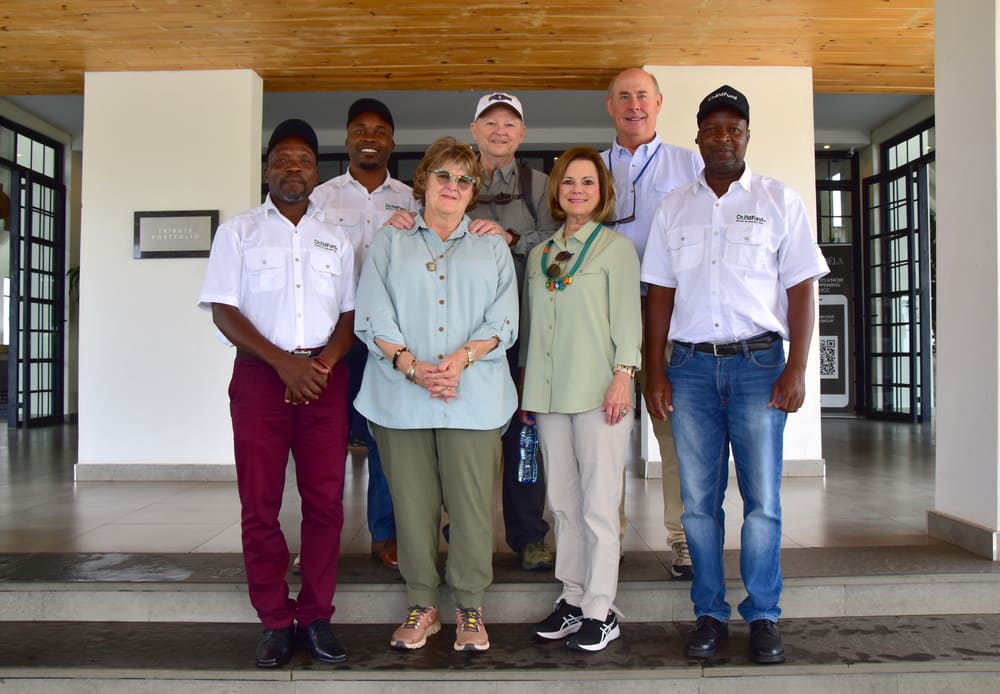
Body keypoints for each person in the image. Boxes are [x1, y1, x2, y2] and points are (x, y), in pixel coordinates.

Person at [641, 85, 829, 664]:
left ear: (746, 136)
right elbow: (659, 298)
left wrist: (797, 366)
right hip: (691, 368)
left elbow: (801, 288)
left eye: (734, 129)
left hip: (759, 365)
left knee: (762, 501)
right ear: (697, 137)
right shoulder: (674, 206)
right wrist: (656, 373)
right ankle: (710, 613)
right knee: (698, 503)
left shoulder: (779, 201)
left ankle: (764, 615)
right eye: (713, 129)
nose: (723, 138)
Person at [198, 118, 355, 668]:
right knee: (259, 505)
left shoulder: (336, 236)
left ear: (317, 172)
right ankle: (272, 619)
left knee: (325, 504)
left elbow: (350, 315)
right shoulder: (238, 232)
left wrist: (322, 365)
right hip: (261, 379)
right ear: (267, 169)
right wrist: (284, 364)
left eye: (304, 161)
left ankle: (314, 616)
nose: (294, 169)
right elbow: (224, 309)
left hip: (324, 379)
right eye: (283, 159)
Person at [354, 136, 518, 653]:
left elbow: (505, 319)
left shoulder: (492, 245)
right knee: (413, 505)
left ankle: (469, 607)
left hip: (474, 396)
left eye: (464, 180)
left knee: (471, 507)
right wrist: (410, 366)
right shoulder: (389, 240)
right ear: (423, 181)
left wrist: (461, 359)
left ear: (475, 192)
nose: (453, 186)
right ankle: (422, 605)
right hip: (400, 396)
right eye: (443, 176)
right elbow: (372, 313)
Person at [521, 146, 641, 652]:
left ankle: (601, 607)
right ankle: (571, 598)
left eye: (588, 182)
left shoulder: (615, 249)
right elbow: (532, 330)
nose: (577, 190)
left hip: (598, 393)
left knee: (598, 504)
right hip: (548, 396)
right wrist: (527, 389)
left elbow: (627, 321)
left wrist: (624, 375)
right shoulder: (540, 254)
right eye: (568, 181)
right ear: (557, 190)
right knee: (563, 504)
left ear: (602, 191)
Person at [310, 97, 419, 570]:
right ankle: (319, 540)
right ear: (347, 139)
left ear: (392, 142)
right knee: (327, 439)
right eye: (360, 129)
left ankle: (385, 533)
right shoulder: (321, 197)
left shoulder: (412, 197)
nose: (369, 137)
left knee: (384, 435)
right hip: (334, 332)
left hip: (389, 334)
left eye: (379, 130)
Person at [603, 67, 702, 579]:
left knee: (676, 433)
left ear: (659, 103)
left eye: (642, 95)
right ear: (609, 106)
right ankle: (607, 536)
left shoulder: (691, 164)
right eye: (624, 96)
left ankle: (683, 539)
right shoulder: (591, 169)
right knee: (604, 433)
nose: (634, 105)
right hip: (604, 319)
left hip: (670, 316)